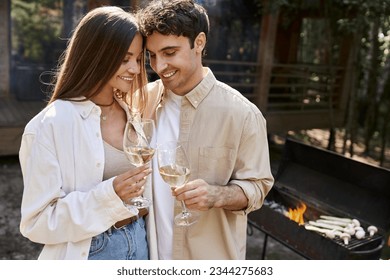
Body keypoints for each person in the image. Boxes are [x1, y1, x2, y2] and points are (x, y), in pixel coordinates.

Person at [138, 0, 274, 260]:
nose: (159, 66)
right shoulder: (143, 100)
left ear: (198, 43)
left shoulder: (243, 114)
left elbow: (258, 188)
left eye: (169, 52)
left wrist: (217, 195)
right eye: (152, 55)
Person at [18, 6, 155, 260]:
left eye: (138, 59)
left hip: (140, 241)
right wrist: (110, 194)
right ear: (97, 55)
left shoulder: (133, 114)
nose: (135, 69)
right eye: (125, 59)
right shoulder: (50, 125)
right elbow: (37, 222)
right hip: (92, 251)